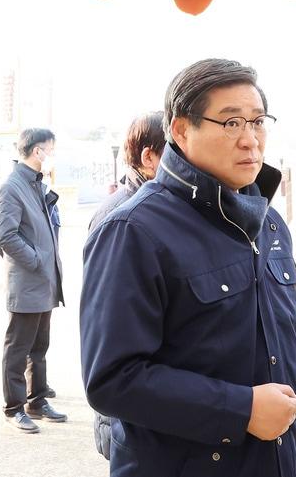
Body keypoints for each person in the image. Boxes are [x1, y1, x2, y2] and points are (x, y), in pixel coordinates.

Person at [81, 59, 296, 477]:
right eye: (231, 124)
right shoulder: (133, 229)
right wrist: (241, 410)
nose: (250, 140)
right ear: (180, 129)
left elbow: (294, 364)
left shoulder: (268, 221)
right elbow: (113, 379)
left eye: (258, 122)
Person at [88, 111, 166, 460]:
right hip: (128, 419)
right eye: (176, 152)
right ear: (149, 158)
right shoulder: (122, 217)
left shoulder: (161, 210)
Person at [0, 128, 66, 432]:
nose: (53, 155)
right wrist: (36, 260)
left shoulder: (37, 185)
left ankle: (37, 399)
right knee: (18, 347)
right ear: (38, 152)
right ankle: (14, 407)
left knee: (39, 346)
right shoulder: (11, 187)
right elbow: (5, 236)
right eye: (51, 149)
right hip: (27, 281)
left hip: (44, 280)